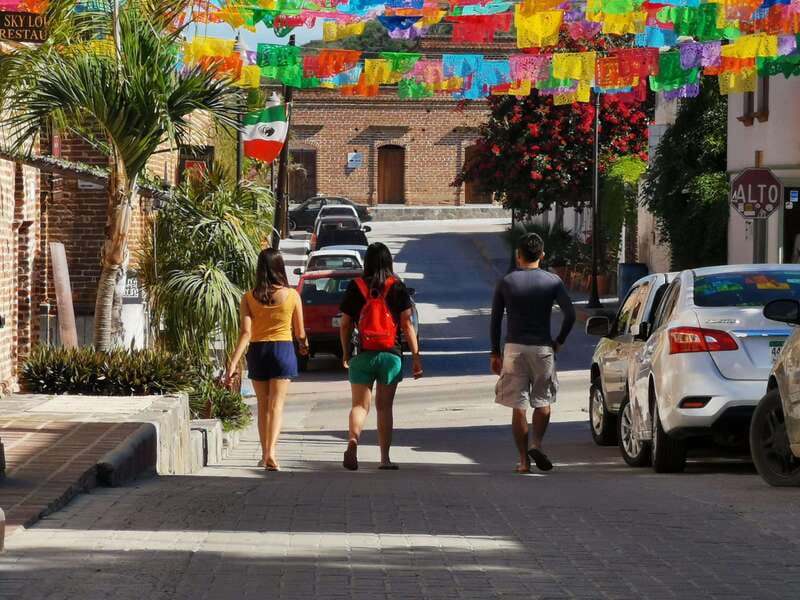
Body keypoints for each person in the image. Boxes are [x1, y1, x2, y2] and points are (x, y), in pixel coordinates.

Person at [490, 232, 575, 473]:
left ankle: (523, 461)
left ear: (518, 256)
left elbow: (495, 320)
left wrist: (494, 353)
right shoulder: (552, 281)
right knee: (544, 400)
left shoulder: (506, 282)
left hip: (514, 349)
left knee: (519, 404)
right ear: (542, 255)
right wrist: (558, 341)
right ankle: (536, 443)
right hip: (542, 348)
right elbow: (569, 315)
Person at [338, 242, 423, 471]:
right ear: (389, 262)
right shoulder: (397, 287)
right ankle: (384, 459)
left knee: (359, 405)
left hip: (362, 354)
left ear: (366, 263)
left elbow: (345, 324)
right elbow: (407, 325)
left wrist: (346, 351)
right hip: (390, 355)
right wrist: (416, 356)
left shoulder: (355, 286)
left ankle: (353, 441)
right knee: (384, 408)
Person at [226, 248, 308, 472]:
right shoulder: (292, 296)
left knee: (263, 405)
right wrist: (304, 345)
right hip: (282, 349)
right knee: (276, 406)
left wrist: (233, 363)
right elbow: (299, 332)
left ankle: (264, 454)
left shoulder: (249, 297)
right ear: (280, 267)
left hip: (258, 352)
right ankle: (272, 452)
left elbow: (245, 332)